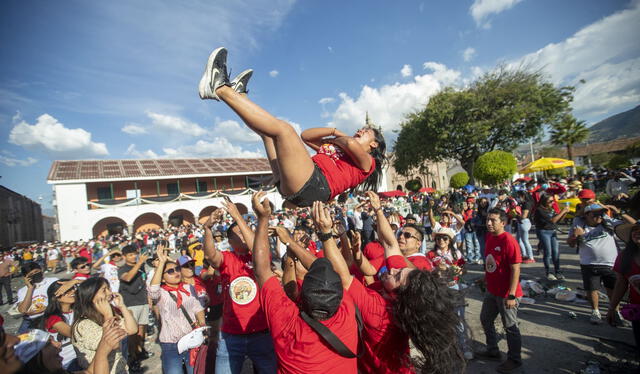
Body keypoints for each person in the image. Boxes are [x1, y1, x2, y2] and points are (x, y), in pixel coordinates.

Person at [199, 47, 386, 208]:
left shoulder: (368, 163)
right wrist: (334, 131)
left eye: (367, 131)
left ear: (374, 145)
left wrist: (342, 139)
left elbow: (352, 145)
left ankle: (219, 88)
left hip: (315, 186)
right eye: (361, 128)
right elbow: (306, 136)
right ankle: (240, 97)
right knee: (269, 135)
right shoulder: (338, 149)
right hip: (301, 181)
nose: (360, 130)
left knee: (284, 130)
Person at [318, 192, 464, 373]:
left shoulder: (379, 310)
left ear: (400, 293)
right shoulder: (401, 284)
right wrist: (378, 210)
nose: (392, 269)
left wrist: (325, 234)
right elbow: (390, 244)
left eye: (397, 275)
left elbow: (342, 276)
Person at [251, 191, 359, 373]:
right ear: (339, 293)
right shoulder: (346, 311)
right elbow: (330, 270)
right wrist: (294, 243)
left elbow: (262, 270)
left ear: (303, 293)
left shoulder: (286, 320)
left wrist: (263, 219)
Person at [202, 200, 278, 374]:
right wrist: (207, 229)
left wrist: (237, 216)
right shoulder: (227, 258)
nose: (244, 236)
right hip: (231, 334)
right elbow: (210, 255)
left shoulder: (259, 258)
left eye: (246, 232)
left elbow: (257, 247)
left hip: (261, 332)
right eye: (239, 233)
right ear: (229, 240)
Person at [568, 203, 636, 324]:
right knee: (592, 289)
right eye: (596, 213)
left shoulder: (608, 223)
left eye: (602, 213)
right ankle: (595, 311)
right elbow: (571, 244)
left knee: (613, 289)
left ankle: (615, 312)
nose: (600, 216)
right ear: (587, 215)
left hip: (610, 263)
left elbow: (634, 225)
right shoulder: (579, 225)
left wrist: (620, 212)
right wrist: (575, 236)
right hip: (589, 264)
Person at [478, 208, 523, 373]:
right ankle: (493, 350)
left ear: (503, 223)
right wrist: (485, 277)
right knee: (485, 319)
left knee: (510, 327)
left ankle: (514, 360)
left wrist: (511, 295)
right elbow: (491, 262)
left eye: (493, 220)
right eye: (488, 220)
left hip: (507, 294)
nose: (489, 223)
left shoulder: (509, 241)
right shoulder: (490, 237)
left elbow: (515, 269)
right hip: (492, 290)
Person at [149, 245, 205, 374]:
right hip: (171, 345)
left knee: (196, 371)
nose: (176, 272)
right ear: (162, 278)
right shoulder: (161, 293)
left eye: (177, 269)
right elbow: (153, 291)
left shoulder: (188, 288)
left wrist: (202, 325)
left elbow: (197, 308)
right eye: (170, 271)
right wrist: (161, 263)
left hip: (192, 340)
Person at [117, 245, 150, 369]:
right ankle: (132, 357)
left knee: (142, 329)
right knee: (132, 332)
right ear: (124, 257)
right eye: (130, 255)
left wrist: (148, 299)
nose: (134, 257)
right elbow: (128, 277)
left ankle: (140, 351)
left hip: (142, 301)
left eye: (134, 254)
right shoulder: (122, 268)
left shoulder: (141, 267)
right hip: (130, 303)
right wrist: (139, 263)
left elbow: (144, 281)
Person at [610, 223, 640, 350]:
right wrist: (612, 308)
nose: (637, 232)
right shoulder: (624, 256)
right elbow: (621, 284)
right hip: (637, 310)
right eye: (635, 230)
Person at [42, 279, 81, 370]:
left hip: (83, 355)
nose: (73, 291)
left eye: (73, 288)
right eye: (67, 290)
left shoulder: (78, 309)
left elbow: (94, 289)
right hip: (69, 361)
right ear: (56, 297)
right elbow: (76, 334)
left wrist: (77, 281)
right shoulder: (53, 318)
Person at [533, 194, 570, 280]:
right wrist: (562, 211)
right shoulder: (539, 210)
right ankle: (548, 272)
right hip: (543, 232)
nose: (552, 203)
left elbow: (558, 220)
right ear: (544, 201)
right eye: (550, 201)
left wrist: (564, 213)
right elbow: (552, 220)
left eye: (553, 201)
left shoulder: (550, 209)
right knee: (548, 252)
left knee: (555, 252)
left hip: (552, 231)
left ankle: (558, 271)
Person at [15, 262, 58, 333]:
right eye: (31, 274)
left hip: (51, 315)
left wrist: (45, 309)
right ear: (26, 277)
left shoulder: (53, 281)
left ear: (41, 270)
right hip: (31, 320)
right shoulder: (22, 291)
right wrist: (30, 288)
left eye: (36, 272)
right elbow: (23, 310)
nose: (35, 274)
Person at [514, 190, 535, 264]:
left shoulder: (527, 204)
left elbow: (524, 216)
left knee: (525, 241)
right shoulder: (523, 203)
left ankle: (531, 257)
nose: (518, 198)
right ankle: (524, 255)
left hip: (524, 222)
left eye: (518, 196)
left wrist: (516, 215)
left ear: (523, 196)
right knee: (519, 240)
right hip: (521, 222)